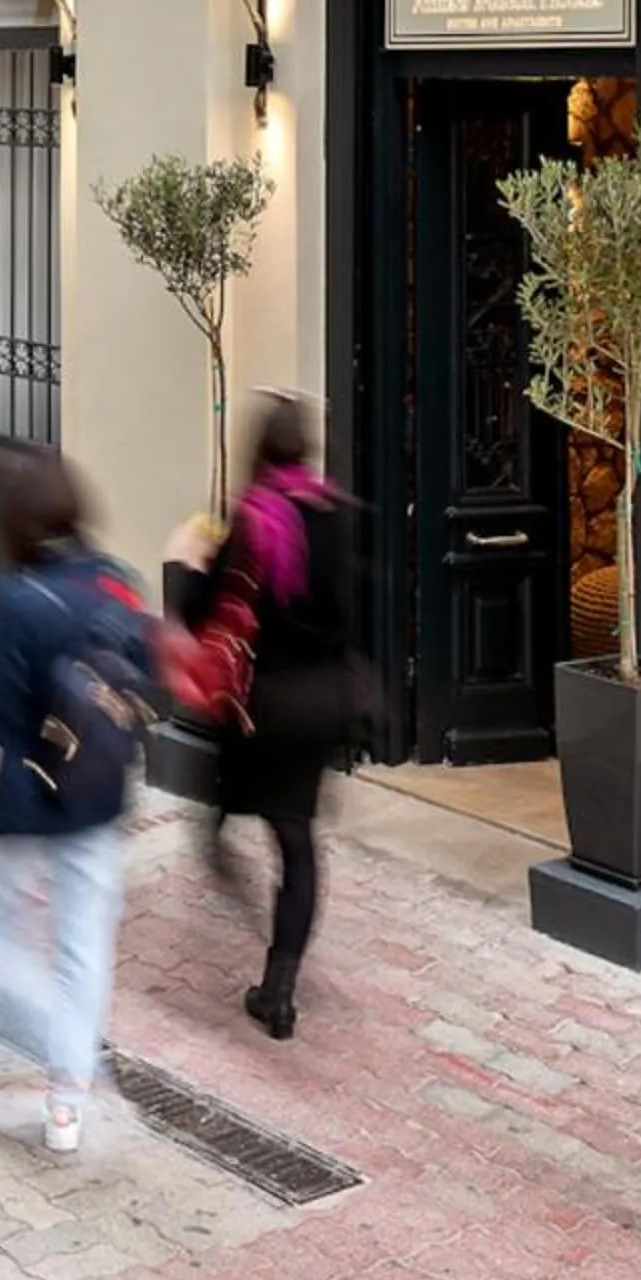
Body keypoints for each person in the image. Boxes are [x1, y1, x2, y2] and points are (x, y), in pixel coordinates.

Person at [0, 449, 158, 1158]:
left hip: (29, 796)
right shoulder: (120, 586)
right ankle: (67, 1104)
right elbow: (143, 686)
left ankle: (52, 1038)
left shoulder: (19, 601)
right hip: (100, 794)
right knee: (85, 949)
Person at [181, 396, 359, 1042]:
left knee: (225, 799)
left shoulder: (253, 519)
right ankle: (279, 990)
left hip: (260, 706)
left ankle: (219, 844)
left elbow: (201, 611)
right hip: (319, 705)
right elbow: (348, 611)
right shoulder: (336, 514)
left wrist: (190, 561)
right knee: (298, 845)